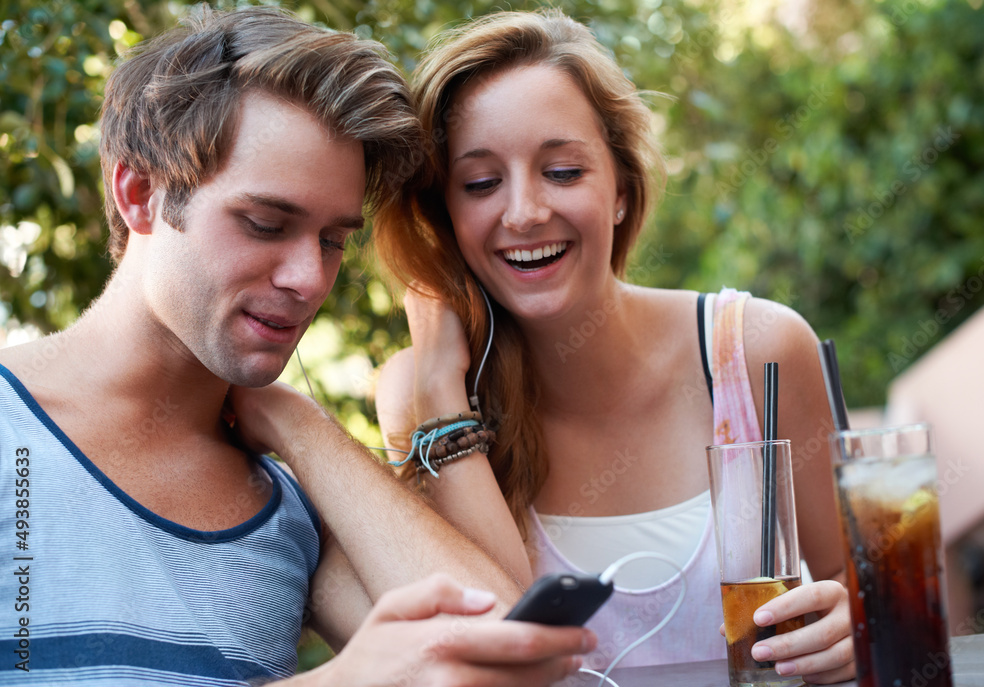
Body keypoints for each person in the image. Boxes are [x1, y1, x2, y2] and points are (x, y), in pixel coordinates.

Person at [0, 7, 595, 686]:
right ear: (140, 193)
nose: (309, 279)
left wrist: (300, 422)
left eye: (333, 240)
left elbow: (497, 647)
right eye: (265, 223)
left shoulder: (290, 506)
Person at [374, 8, 854, 681]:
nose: (524, 212)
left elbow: (863, 598)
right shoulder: (423, 396)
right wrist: (437, 396)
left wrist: (849, 627)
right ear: (448, 219)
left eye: (563, 171)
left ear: (622, 190)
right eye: (481, 183)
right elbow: (495, 646)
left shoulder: (756, 352)